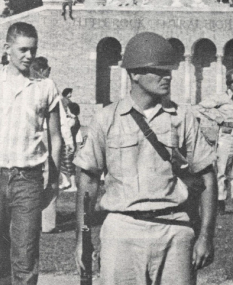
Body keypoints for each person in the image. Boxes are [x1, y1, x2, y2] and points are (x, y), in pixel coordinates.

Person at [73, 32, 217, 285]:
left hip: (175, 228)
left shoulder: (182, 118)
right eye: (158, 71)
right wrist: (83, 238)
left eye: (169, 70)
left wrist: (205, 236)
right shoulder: (106, 119)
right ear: (134, 74)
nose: (167, 76)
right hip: (122, 230)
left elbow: (206, 176)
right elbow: (88, 181)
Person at [0, 22, 63, 285]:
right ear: (7, 49)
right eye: (23, 50)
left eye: (33, 50)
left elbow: (56, 138)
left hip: (27, 180)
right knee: (0, 254)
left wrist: (53, 180)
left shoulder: (46, 87)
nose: (29, 56)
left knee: (26, 256)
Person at [195, 70, 233, 216]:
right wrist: (218, 118)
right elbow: (200, 107)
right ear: (229, 84)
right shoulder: (221, 97)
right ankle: (220, 202)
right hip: (226, 134)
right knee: (222, 169)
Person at [30, 58, 75, 234]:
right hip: (48, 135)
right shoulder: (48, 85)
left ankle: (31, 219)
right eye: (48, 69)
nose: (50, 72)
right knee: (51, 179)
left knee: (33, 178)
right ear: (42, 70)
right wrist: (69, 140)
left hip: (32, 136)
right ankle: (47, 223)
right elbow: (60, 118)